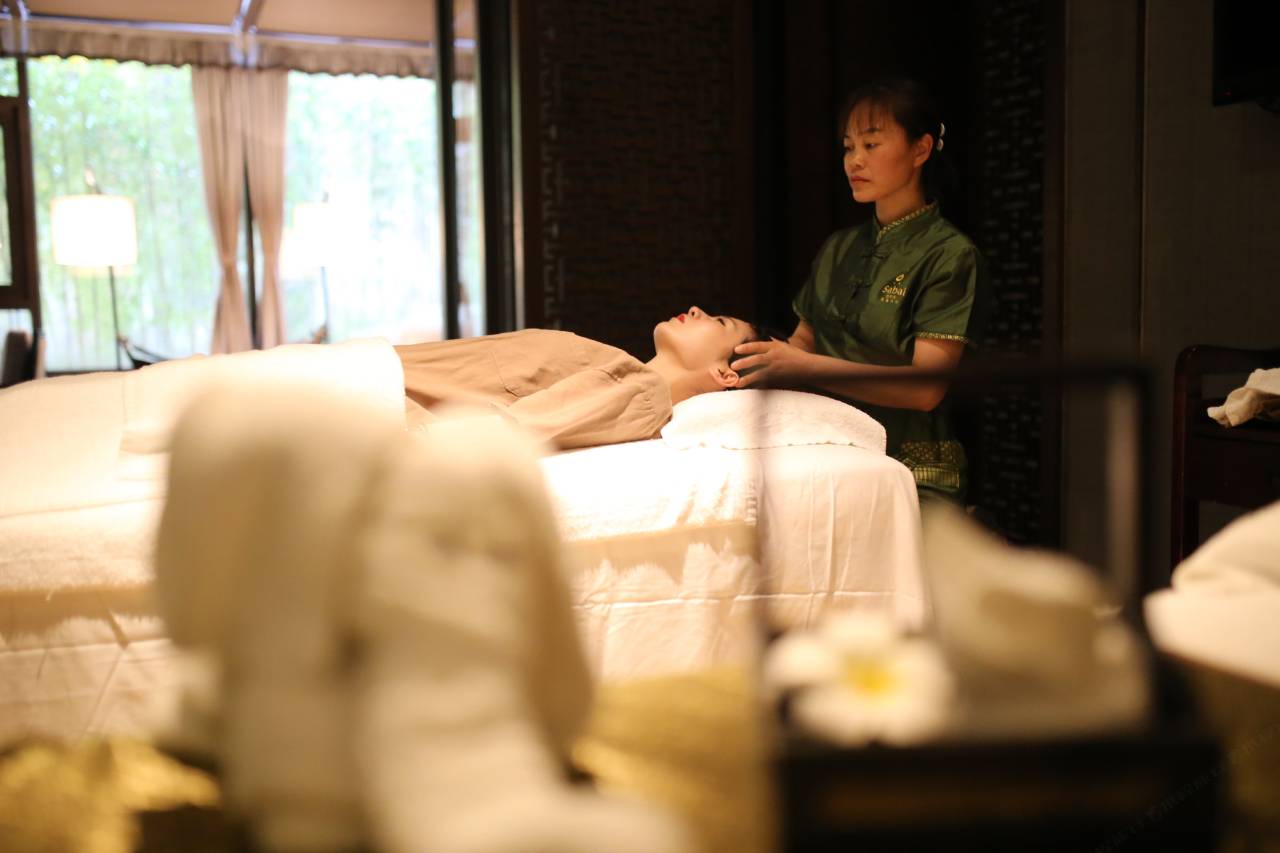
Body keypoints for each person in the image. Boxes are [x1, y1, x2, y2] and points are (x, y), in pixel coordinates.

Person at [730, 78, 989, 502]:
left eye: (871, 144)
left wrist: (804, 366)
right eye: (849, 147)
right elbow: (802, 345)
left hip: (913, 467)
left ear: (921, 150)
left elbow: (926, 389)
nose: (855, 160)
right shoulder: (840, 247)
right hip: (832, 449)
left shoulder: (950, 254)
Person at [397, 306, 761, 449]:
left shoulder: (645, 393)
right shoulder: (626, 374)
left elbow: (516, 427)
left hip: (385, 399)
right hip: (387, 381)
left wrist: (403, 452)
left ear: (725, 374)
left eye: (720, 322)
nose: (696, 310)